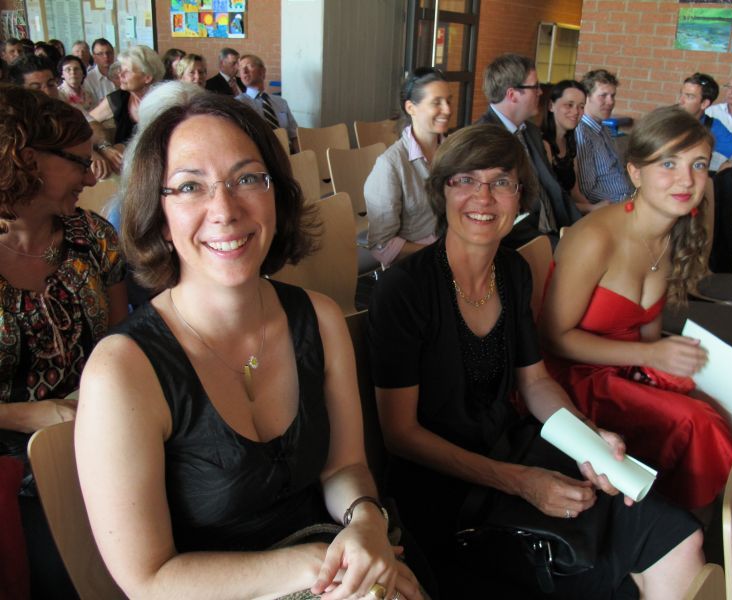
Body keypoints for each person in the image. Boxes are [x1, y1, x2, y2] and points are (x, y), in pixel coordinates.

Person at [74, 93, 421, 600]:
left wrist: (366, 519)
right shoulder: (122, 370)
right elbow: (147, 580)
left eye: (247, 179)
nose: (225, 210)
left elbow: (344, 466)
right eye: (190, 186)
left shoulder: (321, 319)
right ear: (160, 215)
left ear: (276, 195)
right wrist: (316, 565)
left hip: (329, 564)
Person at [369, 123, 705, 599]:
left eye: (501, 182)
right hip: (447, 492)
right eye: (465, 180)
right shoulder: (405, 290)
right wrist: (521, 482)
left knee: (681, 538)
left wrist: (587, 439)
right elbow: (400, 435)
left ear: (520, 196)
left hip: (517, 451)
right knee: (617, 568)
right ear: (441, 191)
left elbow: (535, 382)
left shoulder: (511, 271)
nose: (483, 197)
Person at [541, 106, 732, 512]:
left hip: (624, 367)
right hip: (571, 378)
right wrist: (652, 357)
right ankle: (701, 521)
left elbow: (647, 332)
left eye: (698, 164)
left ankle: (681, 510)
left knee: (717, 400)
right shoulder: (596, 238)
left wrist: (665, 366)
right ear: (635, 173)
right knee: (699, 422)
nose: (687, 179)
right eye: (668, 163)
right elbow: (552, 339)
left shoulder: (673, 233)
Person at [0, 84, 127, 598]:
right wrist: (25, 415)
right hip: (10, 461)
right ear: (27, 159)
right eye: (79, 161)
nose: (92, 175)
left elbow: (118, 342)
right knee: (60, 573)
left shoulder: (92, 237)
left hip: (93, 434)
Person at [475, 53, 581, 244]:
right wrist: (553, 244)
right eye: (535, 86)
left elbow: (554, 189)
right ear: (512, 94)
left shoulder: (531, 131)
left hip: (556, 232)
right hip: (525, 242)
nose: (541, 92)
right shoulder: (483, 139)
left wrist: (580, 229)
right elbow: (499, 213)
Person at [362, 67, 445, 267]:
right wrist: (442, 253)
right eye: (437, 102)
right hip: (418, 267)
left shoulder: (454, 153)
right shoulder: (390, 165)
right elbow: (382, 246)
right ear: (411, 108)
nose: (448, 110)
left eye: (448, 101)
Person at [88, 44, 165, 175]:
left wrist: (125, 149)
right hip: (122, 173)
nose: (120, 75)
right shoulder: (118, 99)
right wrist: (104, 147)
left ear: (147, 77)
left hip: (155, 171)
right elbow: (85, 122)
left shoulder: (164, 102)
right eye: (121, 69)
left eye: (127, 71)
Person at [575, 69, 635, 205]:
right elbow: (588, 191)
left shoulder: (604, 128)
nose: (610, 102)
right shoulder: (582, 133)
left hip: (628, 197)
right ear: (586, 97)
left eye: (613, 96)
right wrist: (623, 202)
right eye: (603, 96)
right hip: (612, 206)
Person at [678, 73, 732, 172]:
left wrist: (728, 166)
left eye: (689, 96)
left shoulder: (712, 127)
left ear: (704, 104)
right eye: (681, 94)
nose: (680, 101)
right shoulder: (665, 118)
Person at [541, 79, 597, 214]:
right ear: (551, 106)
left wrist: (596, 212)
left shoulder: (570, 142)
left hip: (570, 214)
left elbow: (575, 193)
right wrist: (592, 208)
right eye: (569, 105)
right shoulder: (543, 143)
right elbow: (552, 201)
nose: (576, 111)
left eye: (581, 106)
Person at [236, 54, 298, 150]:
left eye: (249, 66)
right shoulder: (238, 103)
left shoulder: (281, 102)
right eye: (241, 68)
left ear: (262, 71)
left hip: (287, 152)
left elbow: (294, 136)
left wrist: (300, 156)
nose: (244, 71)